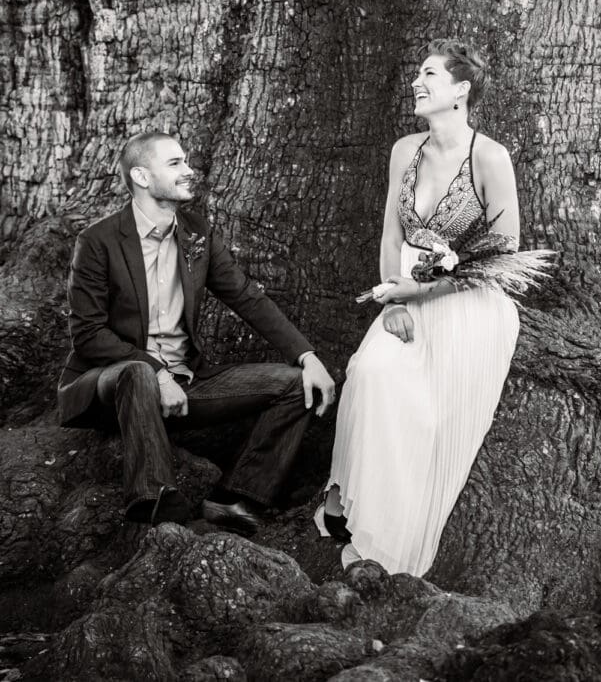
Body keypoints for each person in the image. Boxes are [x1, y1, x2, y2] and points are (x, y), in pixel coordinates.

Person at [58, 131, 335, 532]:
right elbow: (88, 334)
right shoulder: (98, 241)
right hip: (113, 387)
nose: (189, 171)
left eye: (186, 161)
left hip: (188, 384)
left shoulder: (197, 234)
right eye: (175, 164)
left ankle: (231, 499)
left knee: (296, 385)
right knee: (137, 373)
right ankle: (154, 503)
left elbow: (247, 298)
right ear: (140, 175)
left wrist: (306, 356)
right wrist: (156, 372)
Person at [316, 39, 520, 576]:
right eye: (416, 74)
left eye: (428, 74)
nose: (416, 82)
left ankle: (389, 538)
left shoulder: (490, 158)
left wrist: (421, 293)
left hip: (470, 306)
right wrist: (393, 297)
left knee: (422, 415)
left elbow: (502, 254)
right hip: (404, 292)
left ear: (460, 90)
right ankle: (348, 501)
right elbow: (391, 233)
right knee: (370, 372)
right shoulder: (405, 149)